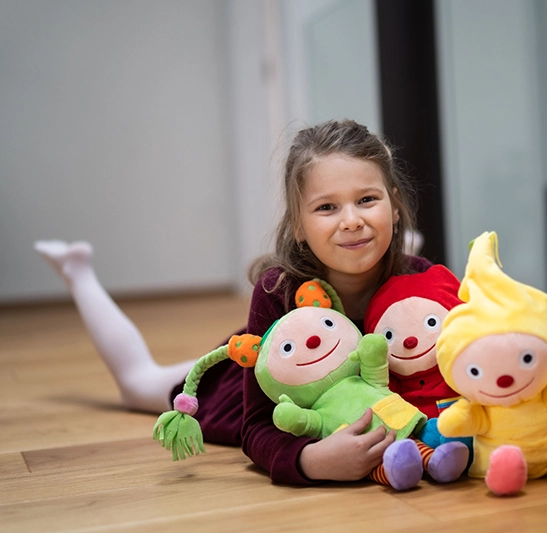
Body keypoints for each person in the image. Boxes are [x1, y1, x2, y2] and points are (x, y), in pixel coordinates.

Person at [35, 119, 433, 485]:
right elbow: (256, 426)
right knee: (137, 383)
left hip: (315, 361)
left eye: (367, 200)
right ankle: (77, 271)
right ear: (297, 225)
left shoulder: (427, 282)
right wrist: (309, 460)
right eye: (327, 207)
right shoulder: (276, 290)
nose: (351, 220)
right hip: (251, 371)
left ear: (395, 205)